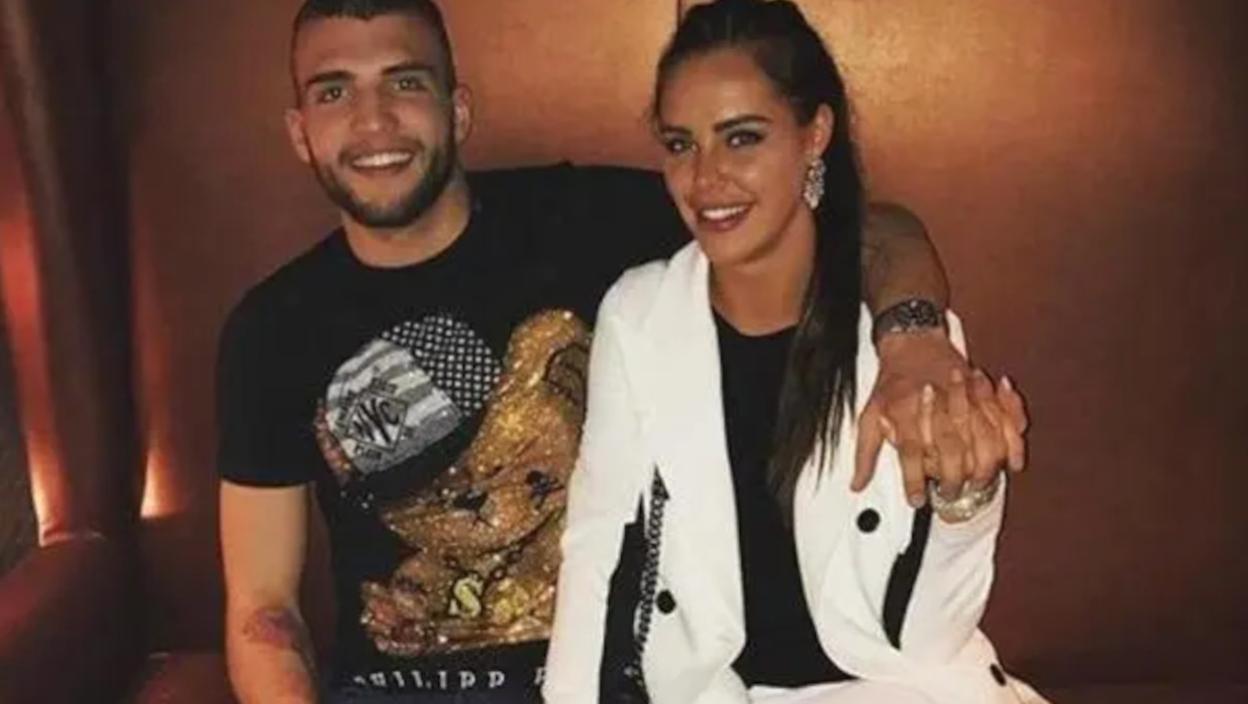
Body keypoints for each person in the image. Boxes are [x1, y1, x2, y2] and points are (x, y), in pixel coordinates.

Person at [216, 0, 1027, 702]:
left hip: (615, 677)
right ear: (299, 131)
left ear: (457, 110)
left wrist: (914, 337)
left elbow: (860, 228)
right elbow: (262, 611)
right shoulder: (271, 330)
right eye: (334, 91)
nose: (372, 123)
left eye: (405, 82)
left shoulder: (587, 221)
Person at [544, 1, 1043, 703]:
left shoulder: (902, 339)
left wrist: (966, 497)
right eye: (681, 144)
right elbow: (594, 547)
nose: (705, 178)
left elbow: (928, 640)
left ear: (815, 135)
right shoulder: (641, 315)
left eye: (742, 138)